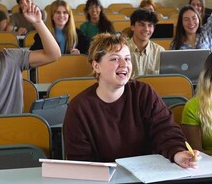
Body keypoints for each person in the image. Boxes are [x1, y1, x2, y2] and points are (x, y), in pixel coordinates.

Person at [63, 33, 198, 168]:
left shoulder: (143, 93)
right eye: (115, 59)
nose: (124, 64)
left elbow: (165, 130)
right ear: (96, 66)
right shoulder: (79, 108)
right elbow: (80, 161)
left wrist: (177, 153)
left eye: (127, 59)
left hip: (147, 174)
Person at [127, 8, 164, 76]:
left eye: (150, 25)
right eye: (142, 25)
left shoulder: (160, 52)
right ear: (132, 27)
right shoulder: (122, 49)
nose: (146, 29)